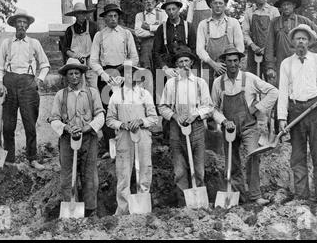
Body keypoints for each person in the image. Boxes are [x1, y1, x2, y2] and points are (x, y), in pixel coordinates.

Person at [278, 24, 317, 204]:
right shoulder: (286, 63)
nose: (301, 42)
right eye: (297, 39)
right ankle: (301, 196)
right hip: (295, 112)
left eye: (304, 38)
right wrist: (281, 118)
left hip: (316, 109)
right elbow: (282, 93)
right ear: (293, 42)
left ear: (309, 42)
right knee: (298, 156)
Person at [211, 47, 278, 205]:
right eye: (229, 61)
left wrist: (258, 108)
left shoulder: (249, 78)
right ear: (224, 62)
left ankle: (255, 195)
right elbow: (212, 107)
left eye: (236, 61)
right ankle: (239, 196)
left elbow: (273, 92)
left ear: (240, 62)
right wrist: (223, 121)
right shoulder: (218, 83)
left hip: (249, 126)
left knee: (252, 156)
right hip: (230, 127)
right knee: (232, 161)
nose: (233, 64)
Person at [48, 58, 105, 218]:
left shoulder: (92, 93)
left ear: (82, 75)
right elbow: (53, 119)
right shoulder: (60, 95)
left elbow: (100, 115)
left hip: (88, 139)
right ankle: (72, 213)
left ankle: (91, 210)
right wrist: (66, 128)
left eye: (77, 73)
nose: (74, 76)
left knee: (89, 176)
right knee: (67, 176)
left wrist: (87, 127)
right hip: (67, 140)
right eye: (70, 73)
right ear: (66, 76)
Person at [0, 9, 50, 170]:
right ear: (14, 25)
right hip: (9, 83)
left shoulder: (34, 43)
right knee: (8, 125)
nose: (21, 25)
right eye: (18, 22)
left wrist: (39, 80)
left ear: (27, 25)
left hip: (28, 85)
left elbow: (45, 64)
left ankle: (32, 158)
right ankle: (9, 159)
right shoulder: (6, 43)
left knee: (30, 124)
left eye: (24, 23)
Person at [158, 47, 213, 206]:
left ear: (192, 63)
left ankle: (201, 205)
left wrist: (194, 114)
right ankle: (184, 206)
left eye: (186, 61)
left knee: (199, 170)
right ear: (176, 65)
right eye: (180, 62)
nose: (184, 65)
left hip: (196, 128)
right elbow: (162, 107)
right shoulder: (170, 84)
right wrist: (175, 116)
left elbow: (208, 106)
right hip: (176, 130)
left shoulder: (200, 83)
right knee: (180, 171)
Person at [105, 62, 158, 215]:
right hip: (124, 137)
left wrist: (141, 121)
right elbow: (110, 120)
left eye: (132, 73)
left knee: (144, 169)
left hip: (143, 136)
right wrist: (122, 125)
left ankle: (143, 208)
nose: (129, 76)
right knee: (123, 173)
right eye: (126, 73)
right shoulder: (115, 95)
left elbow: (153, 118)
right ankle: (123, 210)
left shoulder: (144, 94)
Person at [89, 3, 139, 154]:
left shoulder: (125, 34)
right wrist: (104, 75)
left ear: (118, 17)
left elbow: (134, 57)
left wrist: (122, 73)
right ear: (104, 19)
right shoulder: (99, 35)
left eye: (115, 16)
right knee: (107, 109)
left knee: (127, 107)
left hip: (123, 73)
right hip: (106, 75)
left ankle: (128, 144)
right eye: (109, 16)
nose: (112, 19)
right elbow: (93, 60)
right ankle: (110, 147)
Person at [265, 0, 317, 85]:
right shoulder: (274, 22)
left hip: (299, 59)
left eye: (288, 4)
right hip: (280, 62)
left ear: (294, 6)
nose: (286, 7)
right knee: (282, 88)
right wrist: (270, 67)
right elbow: (269, 45)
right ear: (280, 7)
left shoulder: (303, 20)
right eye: (283, 5)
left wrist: (306, 45)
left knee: (300, 86)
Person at [196, 0, 245, 89]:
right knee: (208, 97)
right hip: (208, 67)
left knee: (229, 95)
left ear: (225, 5)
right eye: (215, 3)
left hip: (229, 67)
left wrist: (230, 64)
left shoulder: (233, 23)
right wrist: (213, 64)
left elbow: (240, 47)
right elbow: (199, 50)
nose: (218, 5)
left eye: (220, 3)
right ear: (211, 5)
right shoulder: (203, 24)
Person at [153, 0, 197, 79]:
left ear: (179, 9)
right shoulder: (161, 28)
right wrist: (164, 67)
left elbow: (194, 49)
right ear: (165, 11)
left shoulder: (188, 26)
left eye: (174, 9)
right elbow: (156, 52)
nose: (171, 12)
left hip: (185, 65)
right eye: (168, 10)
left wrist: (187, 65)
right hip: (168, 68)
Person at [242, 0, 280, 77]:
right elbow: (245, 33)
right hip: (253, 51)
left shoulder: (273, 11)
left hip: (270, 52)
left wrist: (268, 48)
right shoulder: (249, 11)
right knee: (252, 79)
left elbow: (278, 33)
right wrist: (252, 45)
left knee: (271, 79)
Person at [62, 2, 98, 88]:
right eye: (79, 14)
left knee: (93, 87)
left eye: (83, 13)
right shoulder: (70, 30)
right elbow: (65, 48)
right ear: (75, 15)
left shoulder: (93, 27)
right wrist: (74, 56)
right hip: (76, 62)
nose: (82, 16)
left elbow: (98, 44)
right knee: (79, 87)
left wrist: (93, 56)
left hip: (91, 60)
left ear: (86, 14)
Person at [134, 0, 167, 72]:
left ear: (155, 2)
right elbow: (138, 32)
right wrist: (154, 32)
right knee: (146, 68)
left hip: (160, 45)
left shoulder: (162, 13)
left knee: (160, 68)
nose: (148, 2)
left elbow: (164, 27)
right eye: (146, 0)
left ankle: (159, 84)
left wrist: (149, 27)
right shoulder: (139, 16)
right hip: (145, 46)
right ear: (142, 3)